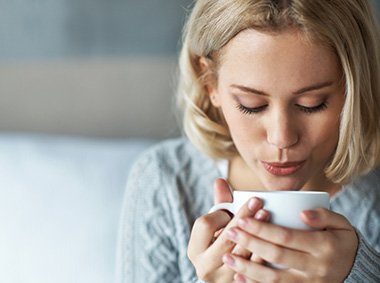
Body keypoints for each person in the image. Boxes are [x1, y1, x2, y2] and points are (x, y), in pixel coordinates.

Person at [115, 0, 380, 282]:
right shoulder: (165, 182)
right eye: (251, 105)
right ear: (210, 85)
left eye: (311, 104)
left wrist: (362, 272)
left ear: (355, 86)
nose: (281, 138)